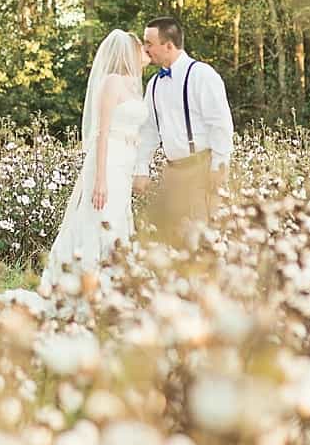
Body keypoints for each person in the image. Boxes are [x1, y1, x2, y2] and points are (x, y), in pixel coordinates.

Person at [42, 29, 150, 285]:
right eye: (141, 48)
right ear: (128, 53)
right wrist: (100, 179)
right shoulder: (111, 82)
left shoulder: (133, 85)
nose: (145, 52)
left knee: (118, 216)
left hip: (124, 161)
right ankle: (87, 280)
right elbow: (101, 133)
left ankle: (113, 280)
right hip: (108, 160)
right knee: (101, 216)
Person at [134, 15, 233, 239]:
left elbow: (220, 123)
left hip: (202, 167)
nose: (145, 48)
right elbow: (148, 130)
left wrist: (219, 165)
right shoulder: (154, 84)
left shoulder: (202, 75)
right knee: (174, 241)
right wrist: (141, 168)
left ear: (168, 45)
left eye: (149, 43)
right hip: (171, 172)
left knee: (205, 237)